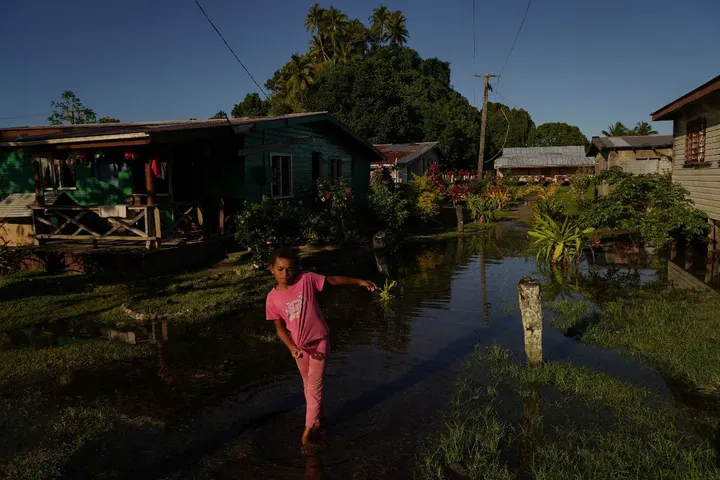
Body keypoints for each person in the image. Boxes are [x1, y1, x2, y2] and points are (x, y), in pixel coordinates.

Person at [265, 247, 376, 455]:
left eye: (289, 269)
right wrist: (292, 348)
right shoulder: (272, 298)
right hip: (300, 349)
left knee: (314, 386)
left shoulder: (306, 279)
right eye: (280, 269)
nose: (285, 274)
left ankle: (307, 432)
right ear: (272, 269)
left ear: (296, 269)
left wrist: (359, 281)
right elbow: (279, 328)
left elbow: (332, 280)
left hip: (319, 343)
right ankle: (317, 418)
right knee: (307, 385)